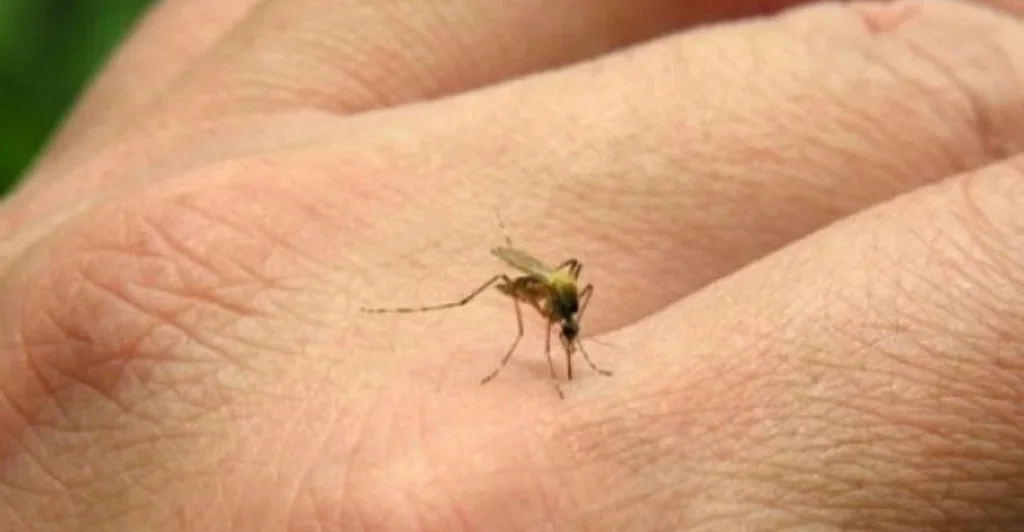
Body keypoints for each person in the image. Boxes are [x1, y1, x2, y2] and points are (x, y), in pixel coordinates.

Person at [2, 0, 1023, 529]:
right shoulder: (535, 294)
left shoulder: (571, 304)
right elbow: (532, 286)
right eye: (566, 322)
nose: (564, 328)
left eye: (568, 323)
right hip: (513, 272)